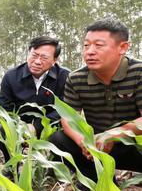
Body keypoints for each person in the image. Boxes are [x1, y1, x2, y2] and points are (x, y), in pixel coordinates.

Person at [50, 18, 142, 182]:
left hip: (134, 147)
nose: (90, 51)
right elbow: (68, 119)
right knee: (59, 139)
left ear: (123, 47)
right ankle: (97, 181)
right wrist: (83, 141)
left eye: (98, 45)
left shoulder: (138, 73)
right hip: (97, 147)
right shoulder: (76, 79)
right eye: (86, 45)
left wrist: (112, 135)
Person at [0, 36, 69, 135]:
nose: (37, 62)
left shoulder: (65, 77)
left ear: (54, 60)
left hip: (50, 128)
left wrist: (36, 127)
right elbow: (5, 109)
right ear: (28, 53)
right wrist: (20, 128)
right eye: (34, 55)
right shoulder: (11, 76)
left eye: (44, 57)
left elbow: (65, 110)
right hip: (17, 129)